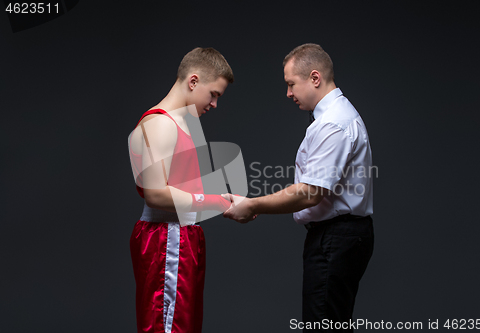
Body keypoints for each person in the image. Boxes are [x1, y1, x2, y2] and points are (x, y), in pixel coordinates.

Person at [223, 43, 374, 332]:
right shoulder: (333, 118)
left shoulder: (334, 124)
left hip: (336, 239)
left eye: (291, 84)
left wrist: (252, 205)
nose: (288, 93)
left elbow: (309, 192)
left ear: (314, 78)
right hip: (339, 237)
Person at [128, 47, 234, 333]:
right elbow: (156, 194)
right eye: (213, 94)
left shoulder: (179, 124)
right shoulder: (160, 123)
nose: (214, 104)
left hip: (181, 238)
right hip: (166, 241)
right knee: (167, 328)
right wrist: (219, 203)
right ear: (193, 81)